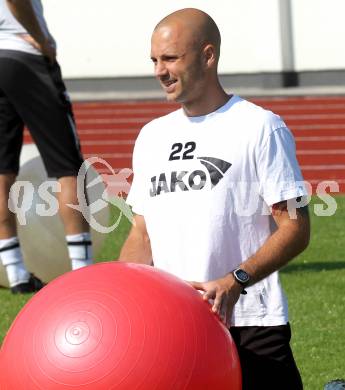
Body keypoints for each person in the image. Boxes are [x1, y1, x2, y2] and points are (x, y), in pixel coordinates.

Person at [119, 8, 310, 390]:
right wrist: (119, 301)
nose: (159, 71)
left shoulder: (260, 126)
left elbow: (296, 228)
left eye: (171, 58)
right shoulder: (151, 136)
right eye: (155, 60)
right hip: (177, 327)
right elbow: (143, 235)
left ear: (208, 56)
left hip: (251, 323)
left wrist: (235, 281)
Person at [0, 0, 93, 294]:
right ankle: (83, 273)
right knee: (68, 168)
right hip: (25, 55)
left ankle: (16, 274)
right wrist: (41, 39)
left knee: (2, 170)